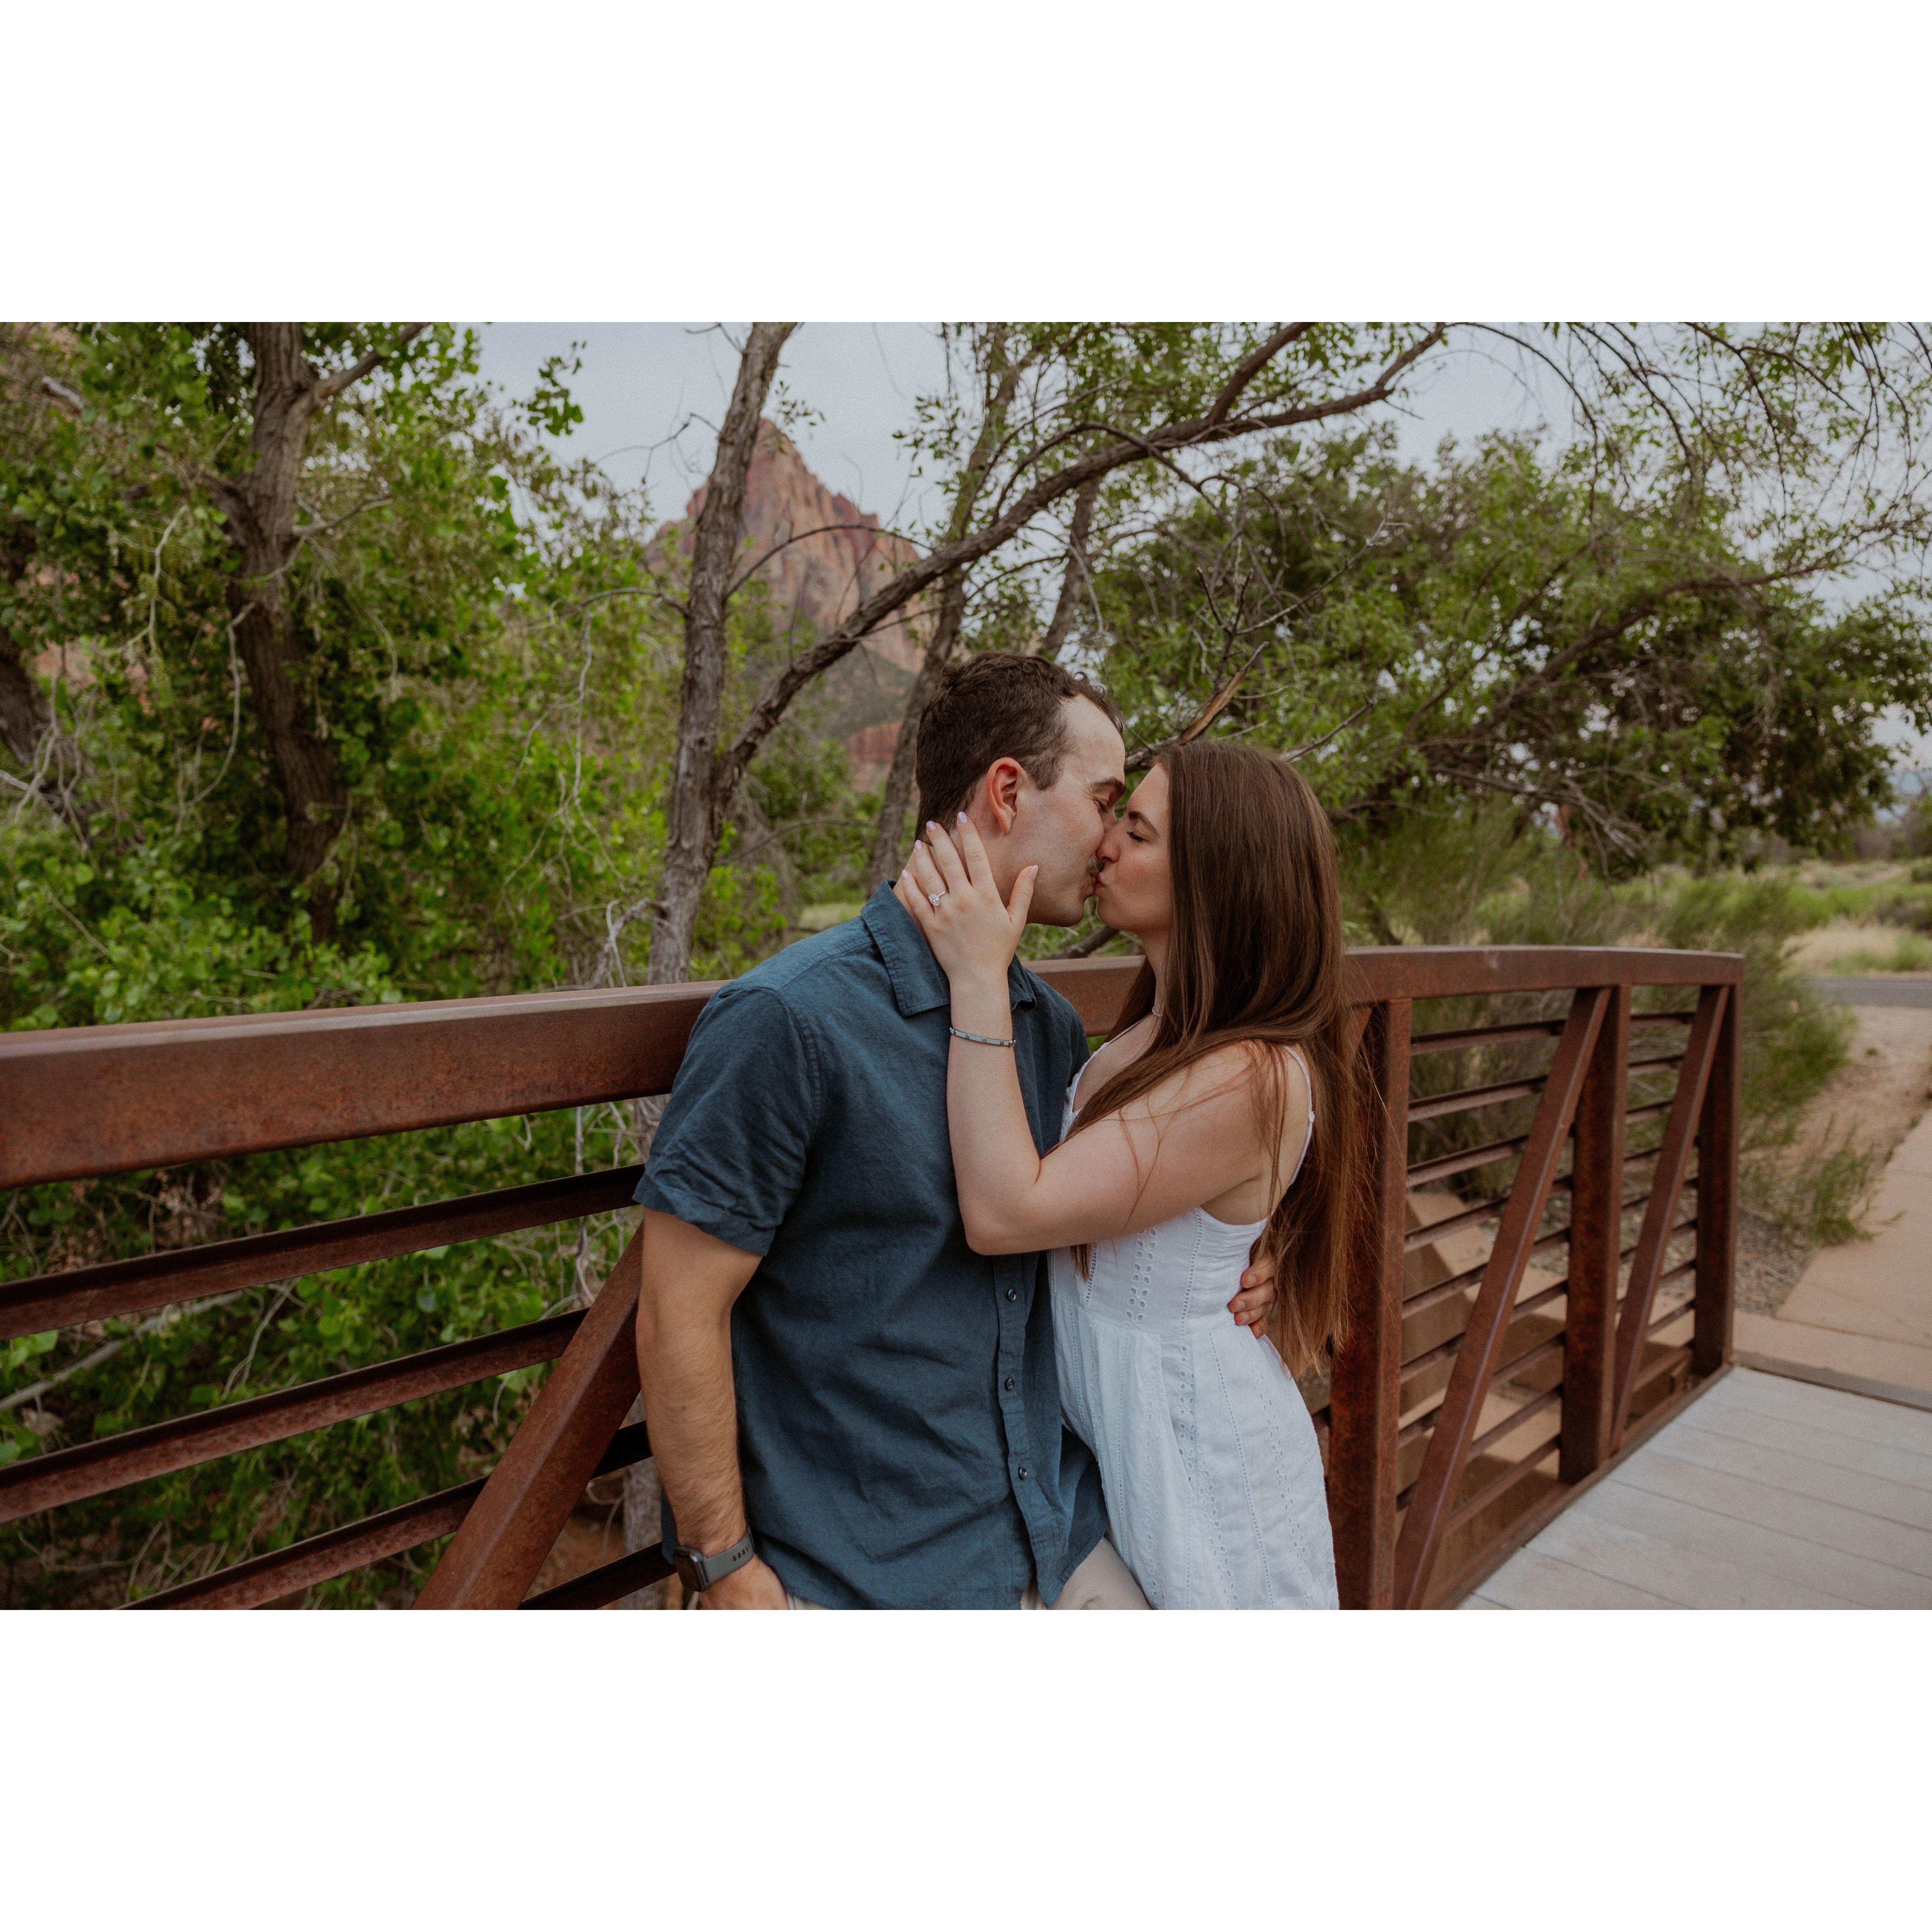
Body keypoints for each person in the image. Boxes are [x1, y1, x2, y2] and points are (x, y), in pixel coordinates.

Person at [632, 654, 1280, 1609]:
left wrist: (1243, 1257)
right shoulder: (789, 1021)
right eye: (1105, 802)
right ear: (1007, 793)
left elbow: (1113, 1200)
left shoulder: (1048, 1028)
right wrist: (724, 1567)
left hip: (1058, 1534)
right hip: (868, 1575)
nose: (1111, 841)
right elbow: (678, 1310)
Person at [902, 739, 1359, 1608]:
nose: (1105, 843)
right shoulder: (1158, 1033)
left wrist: (979, 976)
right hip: (1125, 1451)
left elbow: (1005, 1212)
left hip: (1205, 1473)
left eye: (1138, 832)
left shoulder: (1251, 1073)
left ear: (1217, 878)